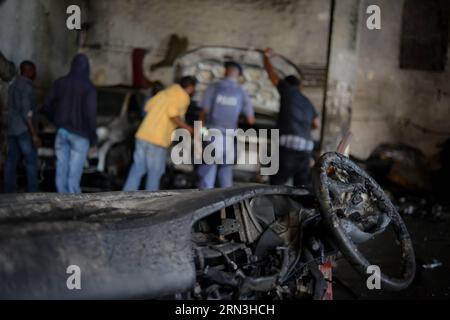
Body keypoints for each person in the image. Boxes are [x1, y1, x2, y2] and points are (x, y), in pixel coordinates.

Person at [123, 76, 197, 191]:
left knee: (138, 168)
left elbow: (147, 107)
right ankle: (152, 201)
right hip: (157, 139)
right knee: (155, 172)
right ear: (191, 88)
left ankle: (125, 197)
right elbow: (173, 114)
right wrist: (188, 128)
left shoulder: (165, 93)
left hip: (143, 134)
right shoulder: (183, 97)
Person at [263, 48, 320, 187]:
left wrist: (266, 58)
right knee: (301, 188)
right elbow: (316, 124)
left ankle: (274, 206)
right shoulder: (307, 102)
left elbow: (272, 74)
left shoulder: (287, 90)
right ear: (299, 87)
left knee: (275, 184)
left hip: (289, 148)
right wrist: (304, 125)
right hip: (306, 150)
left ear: (287, 85)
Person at [43, 54, 97, 194]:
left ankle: (61, 204)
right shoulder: (89, 88)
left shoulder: (60, 83)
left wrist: (55, 119)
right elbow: (90, 116)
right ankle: (74, 209)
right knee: (74, 174)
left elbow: (46, 104)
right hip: (80, 136)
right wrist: (93, 139)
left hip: (62, 132)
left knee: (61, 169)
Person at [197, 61, 255, 189]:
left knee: (207, 174)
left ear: (225, 72)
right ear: (239, 76)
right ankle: (227, 207)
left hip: (213, 135)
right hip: (229, 138)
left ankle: (206, 206)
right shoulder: (242, 92)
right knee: (225, 175)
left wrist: (200, 133)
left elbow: (203, 112)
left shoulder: (214, 87)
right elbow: (251, 120)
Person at [3, 61, 40, 193]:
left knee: (11, 160)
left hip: (12, 129)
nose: (35, 73)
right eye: (34, 70)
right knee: (31, 161)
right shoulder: (26, 87)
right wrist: (34, 134)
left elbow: (10, 107)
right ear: (28, 71)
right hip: (24, 130)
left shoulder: (12, 85)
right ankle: (33, 193)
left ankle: (8, 191)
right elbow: (26, 113)